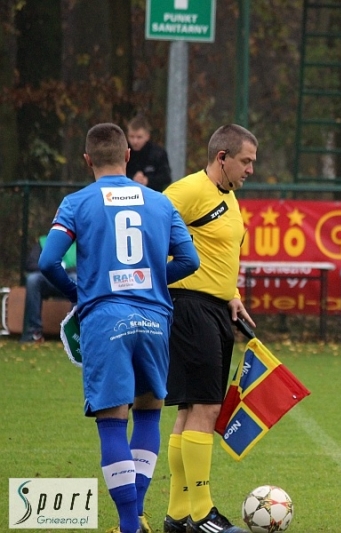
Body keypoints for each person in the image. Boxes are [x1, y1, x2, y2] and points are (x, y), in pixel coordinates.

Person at [38, 123, 199, 533]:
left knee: (112, 421)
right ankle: (138, 517)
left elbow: (48, 262)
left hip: (106, 318)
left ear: (87, 160)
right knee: (147, 416)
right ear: (128, 156)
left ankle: (129, 525)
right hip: (154, 319)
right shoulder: (160, 203)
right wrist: (151, 280)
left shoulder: (76, 203)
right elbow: (190, 261)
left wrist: (80, 292)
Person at [162, 124, 258, 533]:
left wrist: (231, 293)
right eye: (246, 161)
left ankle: (177, 515)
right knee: (205, 408)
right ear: (222, 157)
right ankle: (203, 514)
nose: (251, 169)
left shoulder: (230, 198)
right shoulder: (185, 192)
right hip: (189, 307)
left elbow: (218, 253)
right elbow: (148, 235)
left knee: (190, 411)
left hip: (217, 309)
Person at [19, 234, 77, 343]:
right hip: (48, 280)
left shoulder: (81, 244)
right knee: (32, 279)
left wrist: (62, 270)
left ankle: (74, 333)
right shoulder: (43, 242)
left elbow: (87, 267)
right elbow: (30, 264)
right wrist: (51, 268)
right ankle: (33, 333)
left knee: (78, 279)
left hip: (69, 282)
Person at [126, 115, 172, 192]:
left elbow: (166, 177)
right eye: (131, 137)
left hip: (152, 193)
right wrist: (132, 178)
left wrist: (147, 180)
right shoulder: (123, 153)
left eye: (139, 137)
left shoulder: (158, 153)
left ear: (147, 136)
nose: (135, 141)